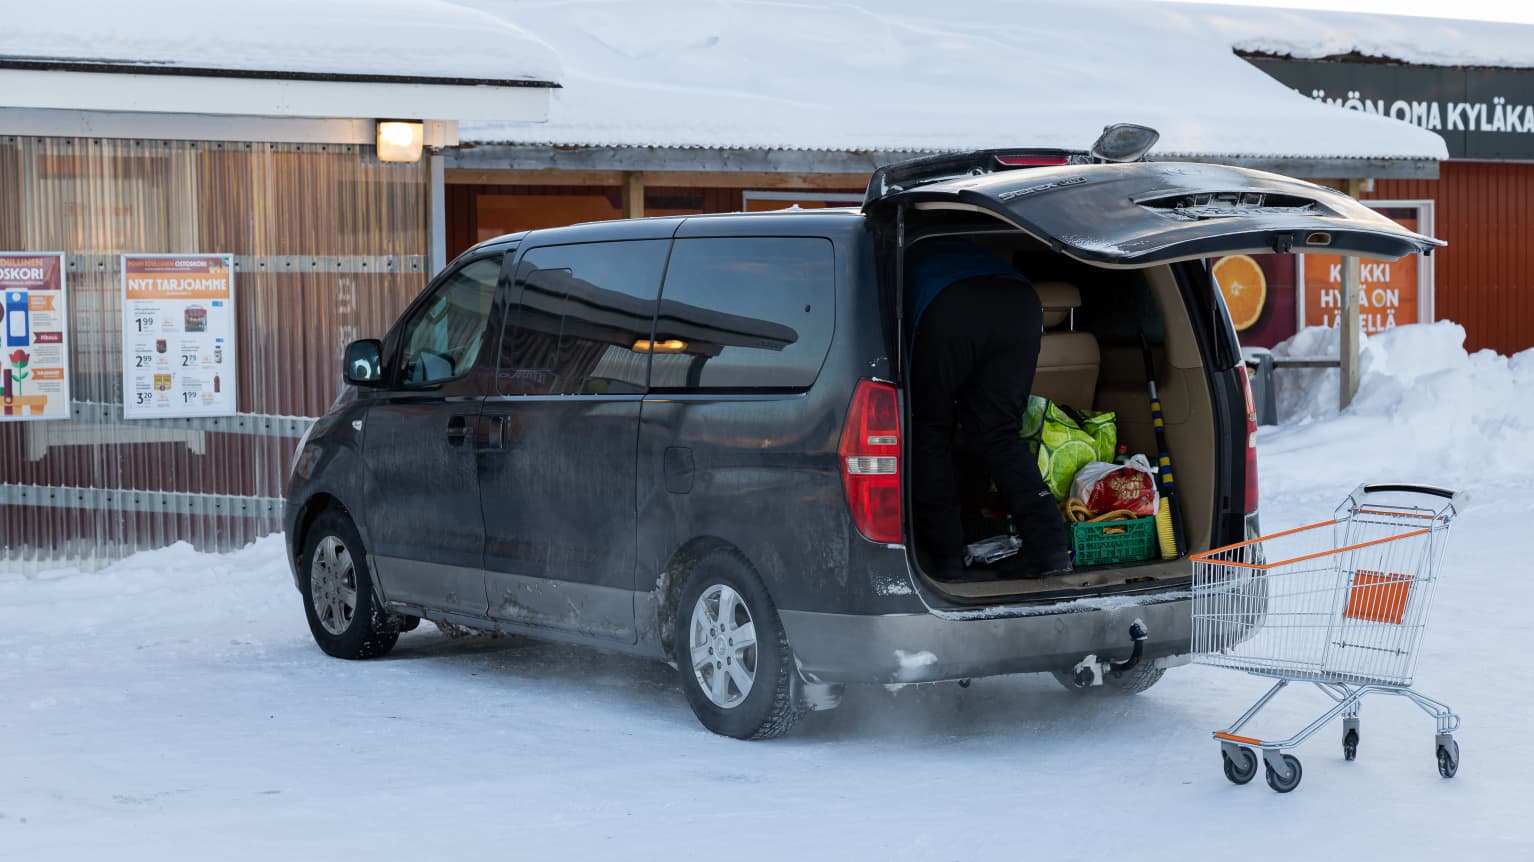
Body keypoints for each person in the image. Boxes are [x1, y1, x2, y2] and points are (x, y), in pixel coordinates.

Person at [907, 237, 1072, 580]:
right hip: (1020, 302)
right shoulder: (964, 248)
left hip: (949, 305)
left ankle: (946, 557)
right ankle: (1049, 548)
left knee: (930, 430)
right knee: (998, 433)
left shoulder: (895, 252)